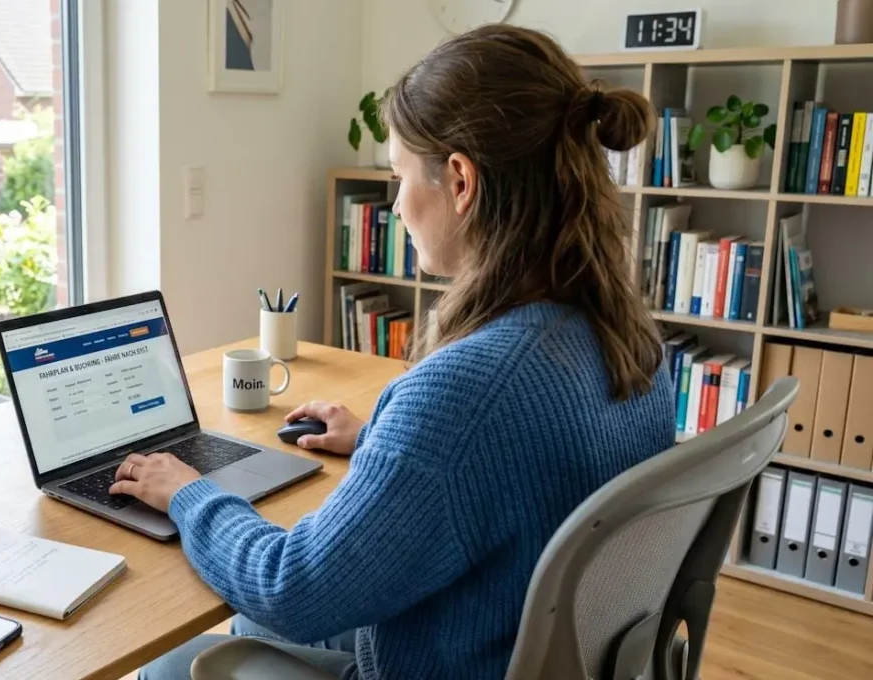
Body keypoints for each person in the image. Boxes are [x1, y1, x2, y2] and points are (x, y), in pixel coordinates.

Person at [115, 24, 677, 679]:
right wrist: (383, 443)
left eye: (398, 176)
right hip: (526, 643)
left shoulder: (467, 391)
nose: (396, 205)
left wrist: (188, 491)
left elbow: (290, 588)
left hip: (450, 661)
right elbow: (525, 467)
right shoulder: (627, 335)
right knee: (245, 628)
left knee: (166, 666)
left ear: (460, 181)